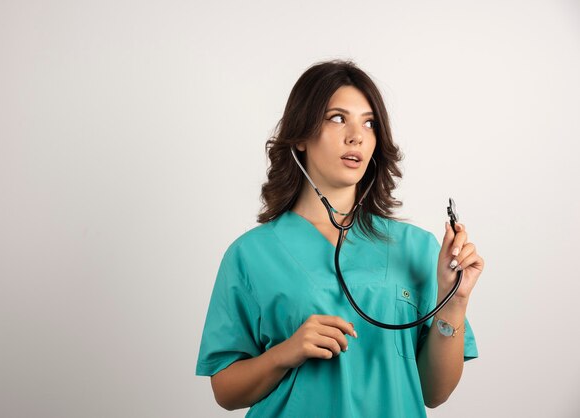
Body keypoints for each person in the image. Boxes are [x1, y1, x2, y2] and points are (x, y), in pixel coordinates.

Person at [195, 59, 484, 417]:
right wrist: (285, 353)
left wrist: (454, 300)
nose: (356, 135)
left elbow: (433, 393)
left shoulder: (418, 248)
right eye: (337, 118)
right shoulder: (250, 255)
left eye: (369, 123)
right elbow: (226, 391)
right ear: (299, 136)